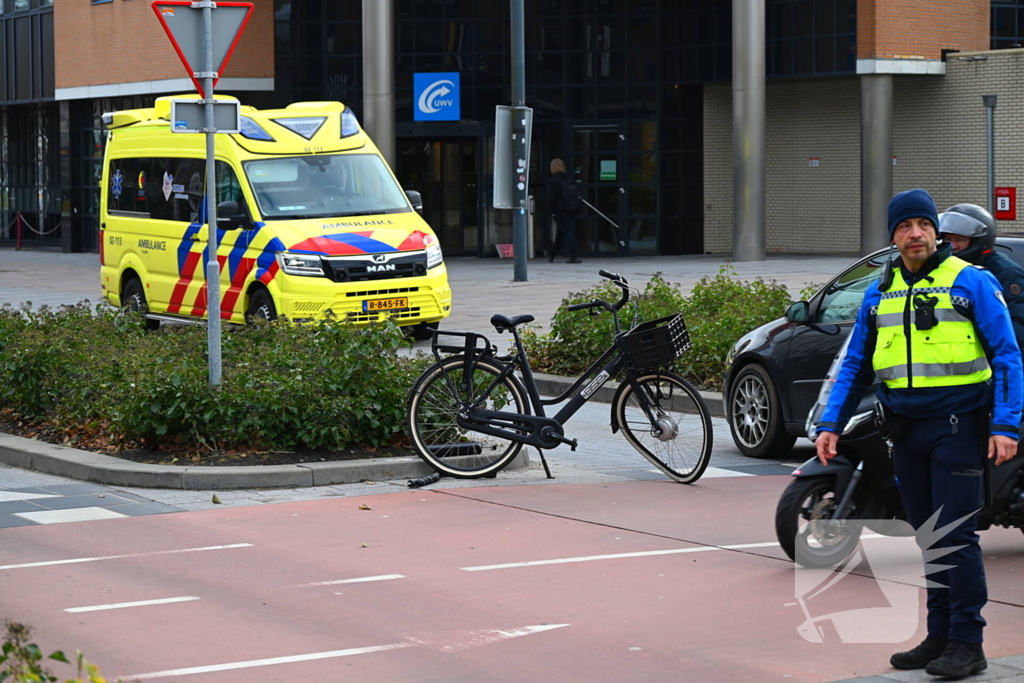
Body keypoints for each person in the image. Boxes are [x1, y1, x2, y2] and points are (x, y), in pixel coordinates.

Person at [815, 188, 1022, 678]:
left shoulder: (971, 281)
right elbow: (854, 366)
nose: (915, 234)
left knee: (956, 534)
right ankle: (939, 636)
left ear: (936, 232)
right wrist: (830, 423)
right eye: (905, 227)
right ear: (893, 236)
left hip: (957, 428)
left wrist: (1006, 423)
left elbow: (1008, 356)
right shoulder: (879, 292)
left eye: (923, 226)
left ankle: (968, 643)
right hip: (904, 432)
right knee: (929, 536)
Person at [939, 203, 1024, 353]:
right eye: (948, 239)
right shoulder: (943, 270)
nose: (952, 246)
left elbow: (1017, 328)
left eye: (960, 240)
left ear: (979, 241)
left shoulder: (1005, 273)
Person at [544, 158, 581, 264]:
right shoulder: (568, 179)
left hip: (560, 210)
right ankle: (552, 254)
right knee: (562, 232)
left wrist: (551, 211)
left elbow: (551, 198)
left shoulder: (552, 181)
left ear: (552, 168)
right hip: (571, 208)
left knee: (568, 231)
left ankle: (575, 254)